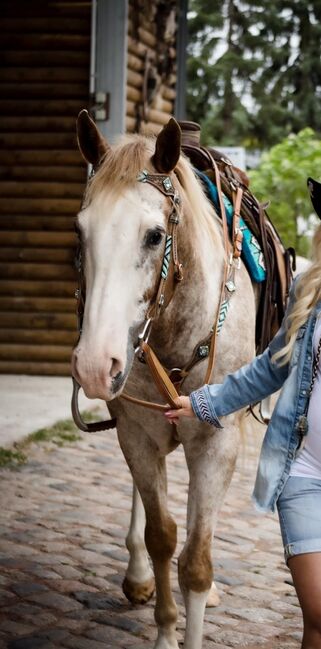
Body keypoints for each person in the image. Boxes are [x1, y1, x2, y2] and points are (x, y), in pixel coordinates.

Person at [165, 177, 321, 649]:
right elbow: (271, 367)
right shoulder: (309, 291)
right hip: (305, 474)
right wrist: (203, 402)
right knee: (318, 613)